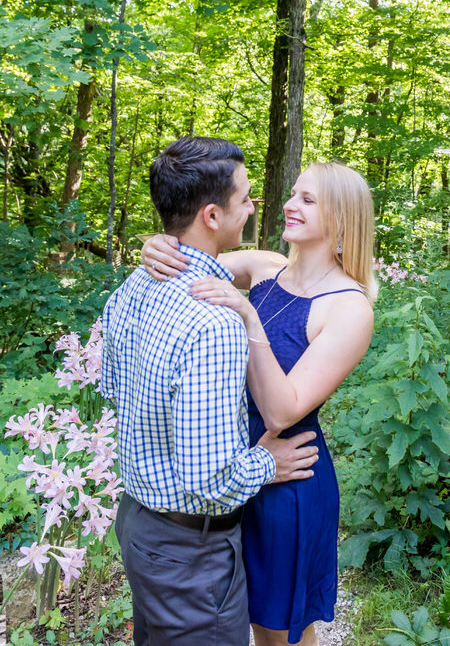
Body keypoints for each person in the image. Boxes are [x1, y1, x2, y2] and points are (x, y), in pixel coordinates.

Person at [141, 160, 377, 646]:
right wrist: (156, 247)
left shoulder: (350, 308)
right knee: (228, 617)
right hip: (229, 470)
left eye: (308, 200)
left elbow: (282, 411)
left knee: (277, 634)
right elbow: (188, 265)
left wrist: (250, 319)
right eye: (293, 194)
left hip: (286, 477)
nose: (289, 205)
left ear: (343, 218)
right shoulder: (264, 266)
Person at [101, 137, 320, 646]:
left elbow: (113, 388)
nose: (254, 206)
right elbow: (208, 481)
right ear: (212, 215)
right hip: (189, 554)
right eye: (245, 198)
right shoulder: (216, 322)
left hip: (138, 525)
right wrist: (269, 462)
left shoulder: (135, 284)